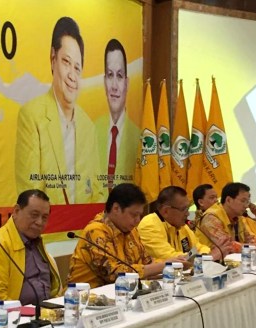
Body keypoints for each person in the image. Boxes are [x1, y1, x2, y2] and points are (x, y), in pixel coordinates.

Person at [15, 16, 102, 205]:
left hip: (84, 231)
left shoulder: (89, 127)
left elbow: (97, 192)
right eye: (66, 62)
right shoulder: (32, 116)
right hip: (47, 230)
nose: (72, 75)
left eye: (77, 68)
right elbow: (30, 192)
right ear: (53, 58)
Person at [66, 183, 182, 288]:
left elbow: (146, 263)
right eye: (134, 215)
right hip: (81, 300)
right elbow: (114, 274)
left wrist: (174, 265)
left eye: (140, 215)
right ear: (116, 208)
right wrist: (165, 265)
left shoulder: (131, 230)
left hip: (121, 296)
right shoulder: (95, 231)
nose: (138, 220)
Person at [0, 189, 62, 307]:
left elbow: (54, 288)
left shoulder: (37, 241)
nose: (40, 222)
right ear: (16, 211)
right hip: (18, 318)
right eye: (34, 215)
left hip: (48, 312)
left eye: (44, 217)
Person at [138, 186, 231, 262]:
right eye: (183, 209)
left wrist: (205, 255)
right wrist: (209, 257)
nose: (187, 214)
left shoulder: (182, 226)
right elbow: (171, 258)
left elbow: (198, 247)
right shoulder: (149, 225)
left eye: (188, 208)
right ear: (166, 211)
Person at [95, 39, 139, 191]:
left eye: (119, 76)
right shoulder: (91, 132)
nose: (114, 86)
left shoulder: (138, 137)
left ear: (127, 83)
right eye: (109, 75)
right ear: (104, 81)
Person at [195, 182, 256, 253]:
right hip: (212, 264)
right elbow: (228, 247)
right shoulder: (211, 217)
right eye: (243, 201)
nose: (246, 206)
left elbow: (249, 240)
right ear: (228, 200)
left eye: (247, 201)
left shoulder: (238, 217)